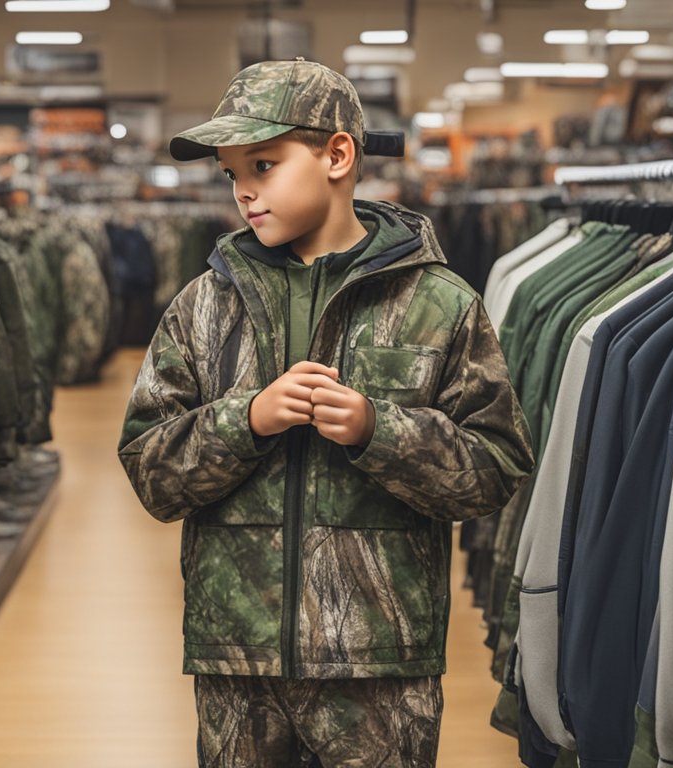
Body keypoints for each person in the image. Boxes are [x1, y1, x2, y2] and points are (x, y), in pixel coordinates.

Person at [118, 58, 535, 767]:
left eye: (264, 163)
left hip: (380, 671)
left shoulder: (440, 306)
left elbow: (496, 469)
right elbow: (150, 472)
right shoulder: (204, 308)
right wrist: (245, 419)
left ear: (338, 154)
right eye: (232, 174)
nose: (245, 192)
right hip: (237, 665)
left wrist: (382, 431)